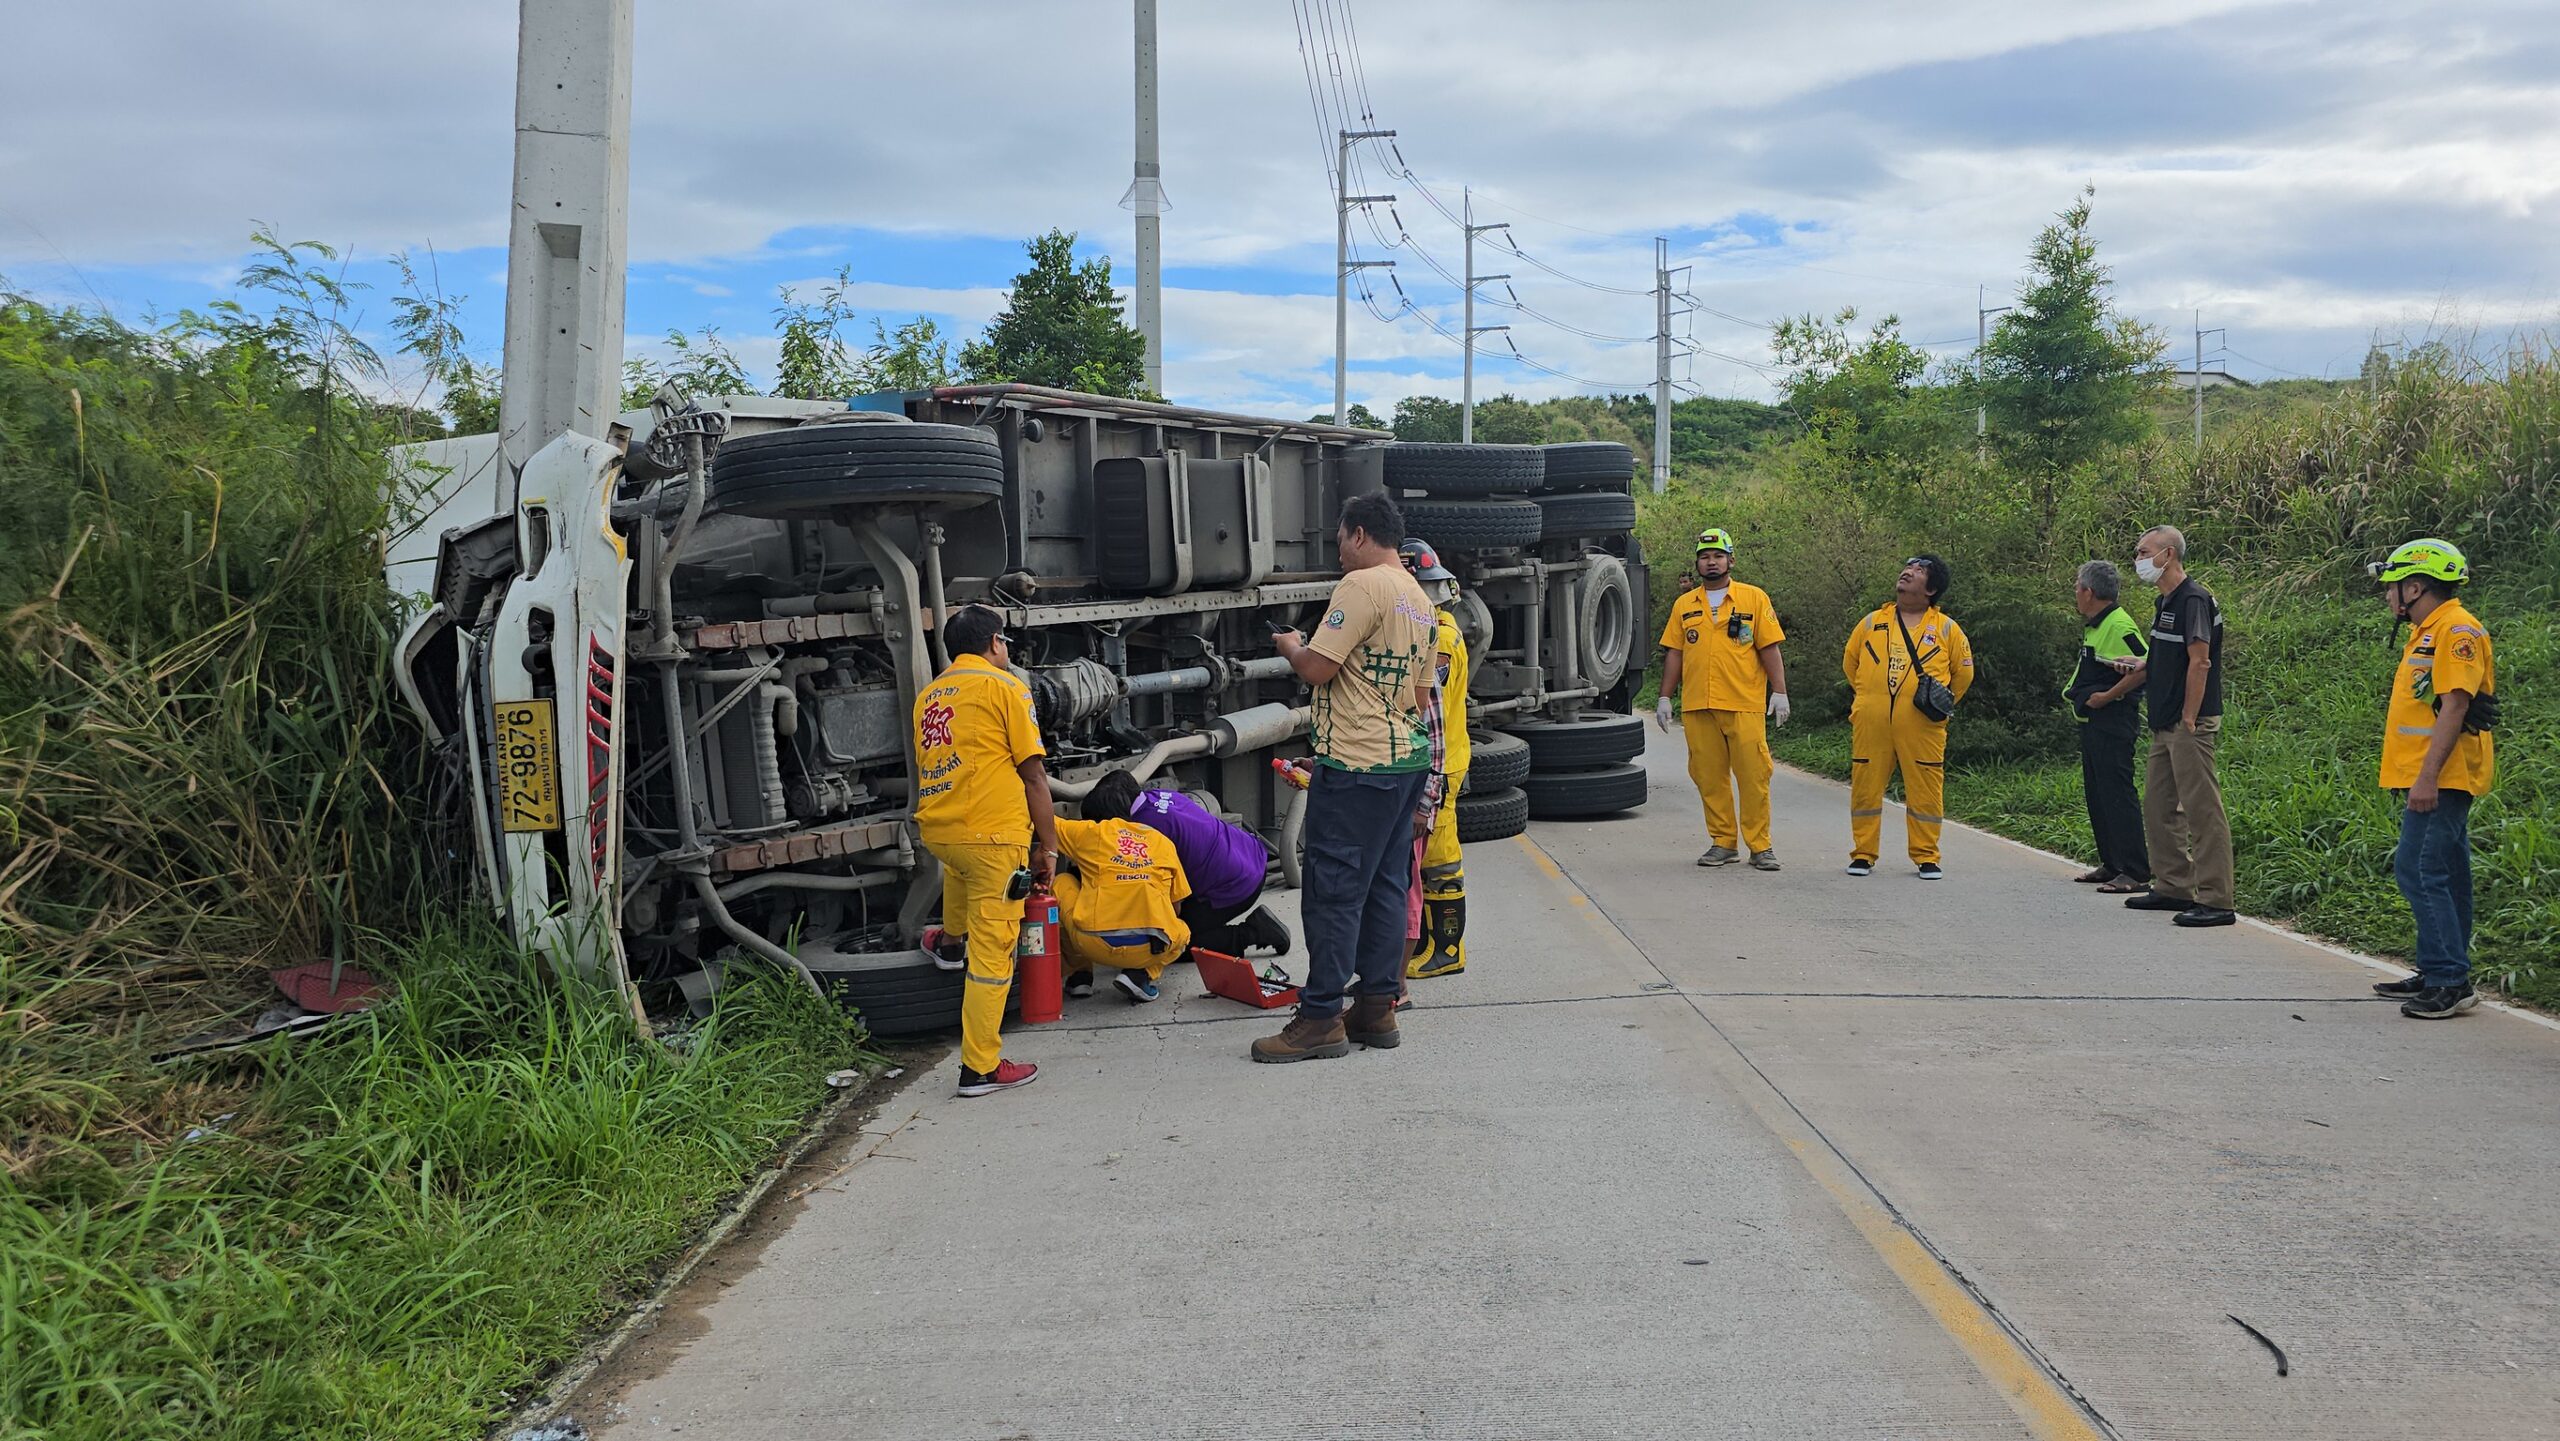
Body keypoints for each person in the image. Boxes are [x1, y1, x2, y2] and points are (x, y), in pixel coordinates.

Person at [1252, 493, 1436, 1062]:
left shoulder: (1360, 587)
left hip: (1358, 766)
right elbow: (1420, 694)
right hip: (1404, 761)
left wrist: (1290, 645)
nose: (1337, 551)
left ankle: (1322, 1016)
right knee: (1384, 884)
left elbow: (1318, 667)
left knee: (1332, 891)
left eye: (1339, 539)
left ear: (1359, 535)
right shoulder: (1419, 598)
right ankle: (1376, 1009)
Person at [912, 605, 1059, 1097]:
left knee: (961, 871)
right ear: (996, 642)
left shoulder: (930, 695)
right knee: (995, 957)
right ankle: (980, 1068)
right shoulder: (1006, 687)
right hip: (993, 837)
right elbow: (1034, 775)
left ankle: (951, 942)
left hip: (941, 831)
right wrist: (1050, 847)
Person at [2366, 538, 2497, 1019]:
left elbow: (2457, 706)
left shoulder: (2456, 629)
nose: (2388, 596)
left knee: (2419, 870)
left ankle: (2449, 979)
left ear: (2415, 586)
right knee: (2447, 873)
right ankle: (2440, 966)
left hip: (2443, 776)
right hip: (2432, 773)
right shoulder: (2429, 630)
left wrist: (2426, 778)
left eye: (2392, 586)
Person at [1653, 527, 1791, 871]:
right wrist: (1664, 697)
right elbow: (1675, 653)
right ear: (1697, 563)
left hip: (1743, 701)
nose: (1711, 562)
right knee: (1708, 777)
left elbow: (1769, 646)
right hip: (1699, 705)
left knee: (1754, 776)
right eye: (1704, 557)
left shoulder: (1753, 598)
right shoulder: (1685, 604)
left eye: (1717, 556)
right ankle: (1723, 842)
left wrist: (1780, 691)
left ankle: (1761, 847)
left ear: (1731, 560)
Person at [2120, 525, 2235, 928]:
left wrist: (2189, 716)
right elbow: (2166, 657)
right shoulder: (2164, 602)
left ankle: (2217, 899)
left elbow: (2200, 661)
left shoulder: (2193, 600)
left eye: (2143, 551)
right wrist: (2141, 666)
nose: (2138, 559)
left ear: (2168, 554)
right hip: (2163, 721)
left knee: (2202, 811)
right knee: (2158, 806)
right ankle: (2172, 885)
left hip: (2189, 723)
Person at [1841, 554, 1973, 879]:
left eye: (1919, 571)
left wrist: (1940, 703)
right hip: (1871, 722)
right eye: (1908, 567)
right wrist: (1869, 698)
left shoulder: (1946, 629)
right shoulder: (1872, 622)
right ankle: (1863, 853)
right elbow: (1851, 663)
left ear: (1932, 589)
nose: (1908, 572)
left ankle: (1926, 856)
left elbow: (1963, 674)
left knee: (1926, 788)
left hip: (1923, 725)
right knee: (1865, 787)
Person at [1081, 768, 1290, 965]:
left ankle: (1253, 933)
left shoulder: (1145, 832)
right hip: (1249, 855)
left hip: (1237, 886)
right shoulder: (1157, 796)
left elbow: (1169, 899)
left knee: (1170, 944)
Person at [1401, 538, 1471, 980]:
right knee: (1424, 858)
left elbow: (1429, 708)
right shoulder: (1430, 630)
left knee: (1439, 858)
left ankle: (1448, 949)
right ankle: (1427, 940)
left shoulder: (1440, 638)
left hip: (1441, 763)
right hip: (1436, 759)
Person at [2063, 560, 2151, 894]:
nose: (2075, 593)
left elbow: (2145, 666)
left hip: (2113, 721)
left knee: (2117, 794)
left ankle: (2135, 870)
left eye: (2076, 587)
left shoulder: (2118, 624)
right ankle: (2113, 864)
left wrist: (2107, 696)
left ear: (2089, 591)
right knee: (2098, 794)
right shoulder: (2096, 624)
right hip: (2093, 722)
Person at [1048, 810, 1192, 1005]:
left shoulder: (1093, 832)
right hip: (1151, 947)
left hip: (1092, 943)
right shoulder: (1163, 843)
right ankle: (1141, 974)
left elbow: (1045, 819)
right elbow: (1175, 910)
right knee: (1182, 931)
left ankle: (1079, 975)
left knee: (1062, 881)